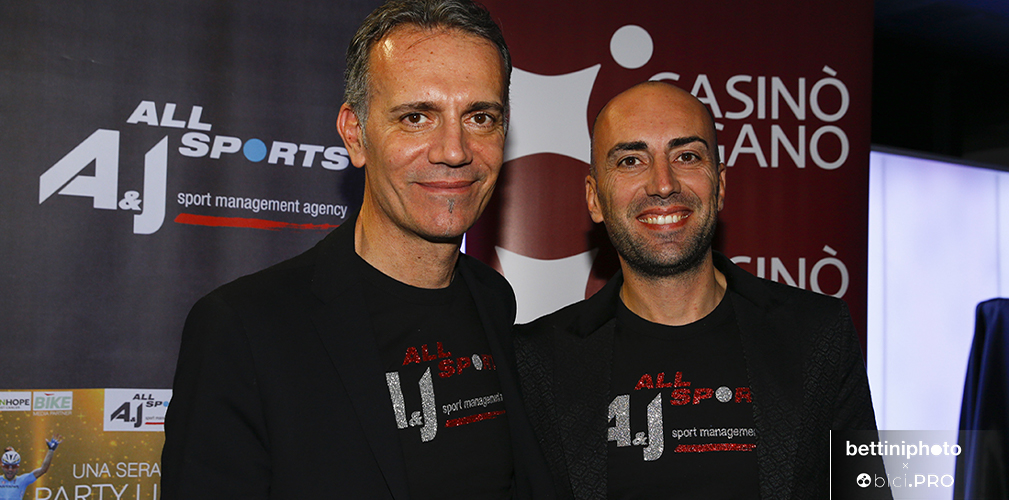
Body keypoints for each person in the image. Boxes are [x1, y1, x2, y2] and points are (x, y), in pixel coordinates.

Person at [161, 0, 552, 498]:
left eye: (479, 117)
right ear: (355, 135)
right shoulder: (243, 330)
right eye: (416, 117)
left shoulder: (492, 299)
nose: (454, 150)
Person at [514, 82, 885, 499]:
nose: (663, 184)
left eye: (686, 156)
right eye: (631, 160)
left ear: (720, 184)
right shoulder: (538, 361)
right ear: (594, 198)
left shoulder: (817, 334)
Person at [1, 436, 62, 500]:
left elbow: (43, 470)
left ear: (17, 467)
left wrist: (51, 450)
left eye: (13, 467)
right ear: (2, 466)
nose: (10, 470)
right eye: (7, 467)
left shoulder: (22, 480)